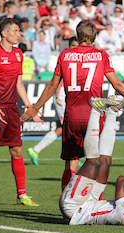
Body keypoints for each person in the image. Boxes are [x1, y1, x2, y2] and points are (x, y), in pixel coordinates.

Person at [20, 20, 124, 192]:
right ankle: (92, 203)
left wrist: (35, 107)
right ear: (94, 37)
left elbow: (52, 86)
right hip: (94, 115)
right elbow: (117, 85)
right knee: (96, 161)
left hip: (71, 116)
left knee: (71, 162)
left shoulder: (65, 55)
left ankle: (66, 204)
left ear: (77, 37)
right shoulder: (101, 56)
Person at [60, 98, 124, 226]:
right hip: (90, 201)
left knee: (94, 163)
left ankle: (95, 110)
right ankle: (112, 112)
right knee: (105, 162)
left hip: (74, 208)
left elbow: (122, 181)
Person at [0, 18, 42, 209]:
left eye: (19, 30)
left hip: (12, 109)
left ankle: (22, 195)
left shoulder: (19, 54)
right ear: (3, 33)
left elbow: (19, 83)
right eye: (14, 31)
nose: (18, 34)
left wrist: (30, 106)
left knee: (17, 150)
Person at [27, 37, 79, 166]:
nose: (74, 48)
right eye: (72, 45)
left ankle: (35, 150)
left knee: (60, 128)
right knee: (69, 128)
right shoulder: (67, 58)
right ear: (68, 45)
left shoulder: (75, 58)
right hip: (61, 97)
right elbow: (59, 79)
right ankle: (73, 157)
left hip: (66, 97)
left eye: (76, 45)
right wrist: (56, 96)